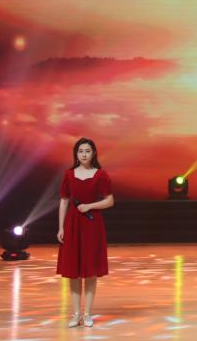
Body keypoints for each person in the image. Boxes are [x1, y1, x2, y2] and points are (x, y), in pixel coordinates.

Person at [57, 137, 115, 328]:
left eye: (87, 151)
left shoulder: (100, 174)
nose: (84, 154)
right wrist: (61, 227)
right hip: (72, 224)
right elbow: (64, 201)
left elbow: (110, 201)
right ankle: (76, 315)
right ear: (76, 153)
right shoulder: (69, 174)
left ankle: (88, 314)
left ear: (94, 153)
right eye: (80, 151)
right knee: (73, 272)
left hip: (92, 224)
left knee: (90, 271)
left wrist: (89, 206)